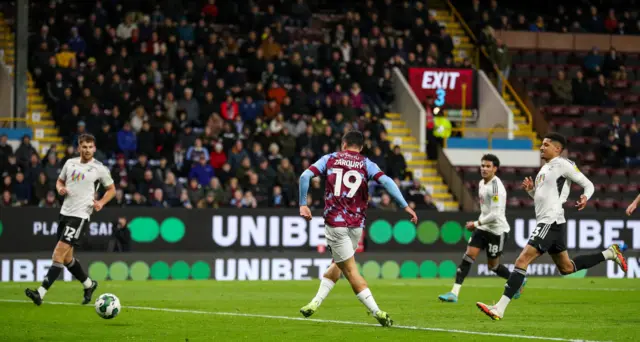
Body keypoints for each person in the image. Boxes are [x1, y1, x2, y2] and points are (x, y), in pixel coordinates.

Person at [476, 133, 628, 320]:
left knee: (521, 261)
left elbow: (588, 185)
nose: (541, 147)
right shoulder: (544, 170)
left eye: (546, 145)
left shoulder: (564, 164)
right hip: (552, 222)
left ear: (557, 149)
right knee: (566, 268)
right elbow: (542, 199)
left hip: (551, 221)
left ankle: (499, 308)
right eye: (541, 144)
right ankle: (610, 253)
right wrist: (531, 190)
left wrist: (585, 197)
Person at [297, 130, 418, 327]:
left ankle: (377, 311)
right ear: (360, 147)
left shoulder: (330, 158)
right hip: (356, 225)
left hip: (336, 224)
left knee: (350, 269)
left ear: (343, 144)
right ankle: (315, 303)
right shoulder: (366, 163)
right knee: (339, 263)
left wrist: (303, 203)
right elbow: (387, 181)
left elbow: (305, 176)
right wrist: (405, 206)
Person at [25, 134, 116, 306]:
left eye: (90, 147)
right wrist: (60, 188)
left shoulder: (99, 168)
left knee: (57, 254)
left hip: (80, 216)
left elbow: (111, 189)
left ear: (94, 148)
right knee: (67, 259)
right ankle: (89, 285)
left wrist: (101, 202)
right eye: (84, 147)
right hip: (64, 213)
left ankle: (40, 293)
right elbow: (59, 181)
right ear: (79, 148)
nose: (87, 150)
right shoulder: (70, 163)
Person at [438, 154, 519, 303]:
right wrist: (479, 225)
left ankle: (516, 280)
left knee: (493, 267)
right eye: (482, 165)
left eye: (488, 166)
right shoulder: (482, 183)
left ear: (495, 168)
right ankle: (454, 293)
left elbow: (495, 214)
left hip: (497, 231)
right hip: (482, 229)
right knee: (468, 257)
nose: (484, 168)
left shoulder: (496, 188)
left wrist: (475, 223)